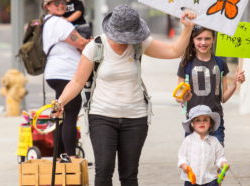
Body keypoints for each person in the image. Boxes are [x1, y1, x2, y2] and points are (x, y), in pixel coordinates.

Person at [54, 4, 196, 186]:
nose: (126, 40)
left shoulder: (139, 44)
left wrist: (187, 28)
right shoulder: (96, 46)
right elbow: (77, 82)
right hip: (102, 115)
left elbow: (173, 51)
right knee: (103, 170)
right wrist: (60, 103)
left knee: (129, 174)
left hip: (135, 117)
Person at [176, 26, 245, 145]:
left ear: (213, 39)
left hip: (215, 122)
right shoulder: (186, 63)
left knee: (217, 158)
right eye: (199, 38)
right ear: (192, 40)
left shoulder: (220, 63)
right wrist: (183, 98)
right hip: (194, 121)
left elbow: (223, 98)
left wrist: (235, 85)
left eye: (207, 38)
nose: (203, 42)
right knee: (195, 159)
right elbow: (178, 97)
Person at [42, 0, 89, 158]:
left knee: (61, 115)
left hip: (54, 72)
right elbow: (81, 43)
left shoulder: (47, 22)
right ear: (47, 6)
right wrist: (96, 42)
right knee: (70, 114)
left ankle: (61, 156)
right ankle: (71, 157)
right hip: (65, 73)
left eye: (62, 2)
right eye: (55, 2)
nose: (60, 5)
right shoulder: (60, 23)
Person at [178, 105, 229, 186]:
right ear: (192, 124)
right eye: (197, 120)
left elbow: (220, 157)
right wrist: (184, 165)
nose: (202, 122)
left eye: (205, 120)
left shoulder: (214, 141)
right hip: (191, 179)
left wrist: (223, 163)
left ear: (210, 123)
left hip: (210, 180)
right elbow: (182, 157)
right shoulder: (188, 140)